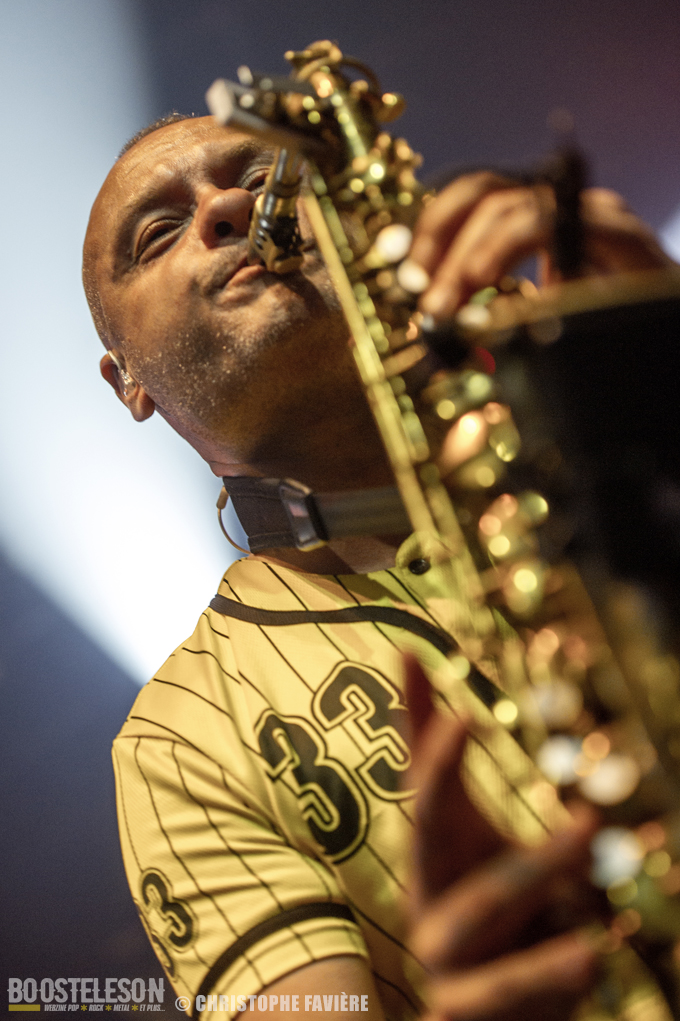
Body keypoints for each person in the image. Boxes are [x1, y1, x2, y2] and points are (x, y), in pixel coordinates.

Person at [83, 112, 672, 1021]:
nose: (230, 207)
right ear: (129, 380)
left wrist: (654, 362)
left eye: (266, 178)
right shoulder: (178, 744)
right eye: (158, 232)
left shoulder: (625, 441)